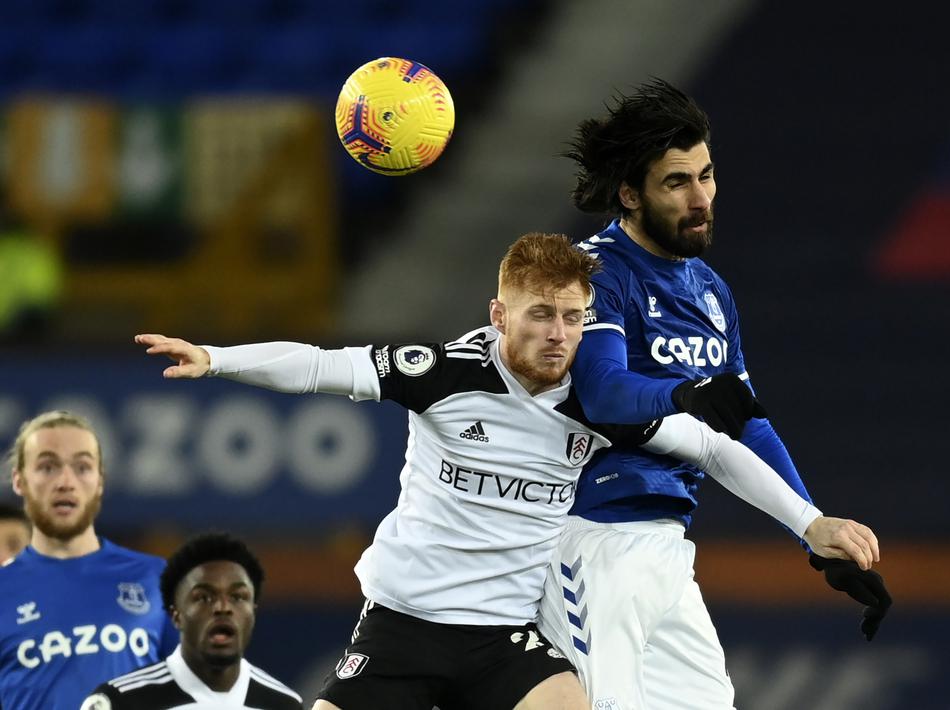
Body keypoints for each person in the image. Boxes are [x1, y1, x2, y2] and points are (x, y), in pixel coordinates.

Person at [134, 232, 870, 710]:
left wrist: (811, 522)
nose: (559, 335)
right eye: (541, 315)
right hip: (404, 627)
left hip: (504, 639)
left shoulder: (599, 400)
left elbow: (711, 446)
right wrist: (214, 359)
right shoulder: (444, 372)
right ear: (499, 313)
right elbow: (321, 367)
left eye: (574, 317)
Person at [537, 79, 893, 709]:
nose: (701, 197)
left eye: (706, 175)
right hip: (592, 542)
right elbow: (602, 393)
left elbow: (744, 422)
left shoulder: (710, 292)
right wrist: (690, 392)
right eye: (677, 182)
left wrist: (812, 528)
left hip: (669, 551)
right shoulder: (594, 273)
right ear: (630, 193)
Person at [0, 410, 178, 710]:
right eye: (47, 467)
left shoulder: (157, 578)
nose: (65, 481)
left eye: (82, 467)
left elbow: (196, 691)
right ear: (19, 481)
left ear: (100, 481)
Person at [82, 532, 301, 709]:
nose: (223, 607)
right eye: (204, 597)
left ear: (253, 612)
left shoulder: (283, 704)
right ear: (176, 614)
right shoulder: (120, 702)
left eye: (237, 597)